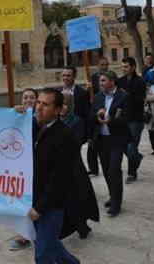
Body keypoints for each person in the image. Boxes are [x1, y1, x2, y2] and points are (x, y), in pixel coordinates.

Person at [30, 88, 80, 264]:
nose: (38, 108)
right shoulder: (38, 127)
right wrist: (16, 115)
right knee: (49, 244)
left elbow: (60, 178)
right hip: (34, 199)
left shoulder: (65, 136)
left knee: (43, 254)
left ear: (58, 110)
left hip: (51, 206)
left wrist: (40, 208)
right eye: (38, 102)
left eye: (45, 104)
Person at [60, 92, 99, 239]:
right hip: (58, 168)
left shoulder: (76, 121)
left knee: (77, 197)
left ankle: (81, 225)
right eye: (60, 104)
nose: (62, 107)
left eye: (65, 104)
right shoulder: (53, 120)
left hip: (73, 166)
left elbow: (77, 143)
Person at [91, 71, 129, 217]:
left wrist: (111, 120)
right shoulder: (98, 97)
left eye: (103, 81)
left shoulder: (123, 96)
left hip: (116, 139)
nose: (100, 84)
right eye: (100, 81)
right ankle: (113, 196)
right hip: (102, 139)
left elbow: (127, 117)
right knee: (106, 170)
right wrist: (97, 115)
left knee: (114, 170)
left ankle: (116, 203)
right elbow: (90, 115)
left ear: (112, 81)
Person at [9, 88, 39, 251]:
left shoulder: (40, 117)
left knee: (32, 199)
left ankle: (29, 234)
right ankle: (23, 234)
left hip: (36, 165)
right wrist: (13, 114)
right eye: (25, 97)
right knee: (21, 198)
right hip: (19, 166)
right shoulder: (17, 116)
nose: (28, 100)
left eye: (32, 98)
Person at [118, 57, 147, 183]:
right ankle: (137, 158)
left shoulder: (140, 81)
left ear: (133, 67)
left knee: (131, 146)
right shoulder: (120, 81)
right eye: (123, 66)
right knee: (124, 145)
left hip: (136, 119)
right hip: (124, 118)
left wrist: (126, 95)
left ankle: (131, 173)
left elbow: (140, 100)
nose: (124, 69)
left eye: (126, 66)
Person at [87, 58, 109, 176]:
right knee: (92, 143)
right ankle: (93, 168)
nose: (104, 66)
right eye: (102, 64)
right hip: (96, 109)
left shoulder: (112, 76)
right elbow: (90, 94)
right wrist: (89, 90)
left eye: (106, 64)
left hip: (107, 110)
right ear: (98, 65)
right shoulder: (93, 77)